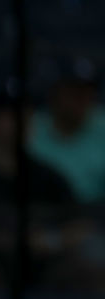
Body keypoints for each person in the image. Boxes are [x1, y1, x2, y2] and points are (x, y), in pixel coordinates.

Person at [29, 56, 105, 204]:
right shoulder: (29, 127)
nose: (80, 98)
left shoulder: (102, 126)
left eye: (86, 91)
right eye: (72, 91)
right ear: (53, 93)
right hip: (42, 215)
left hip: (97, 217)